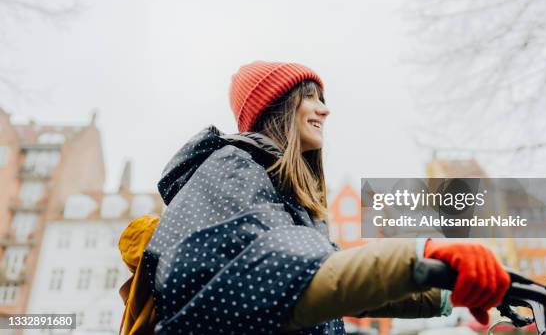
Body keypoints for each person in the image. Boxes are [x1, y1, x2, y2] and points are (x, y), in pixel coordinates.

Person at [118, 61, 510, 334]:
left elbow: (336, 279)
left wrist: (446, 290)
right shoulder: (232, 167)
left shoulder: (281, 194)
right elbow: (286, 276)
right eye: (310, 97)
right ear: (277, 106)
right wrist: (424, 254)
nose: (325, 108)